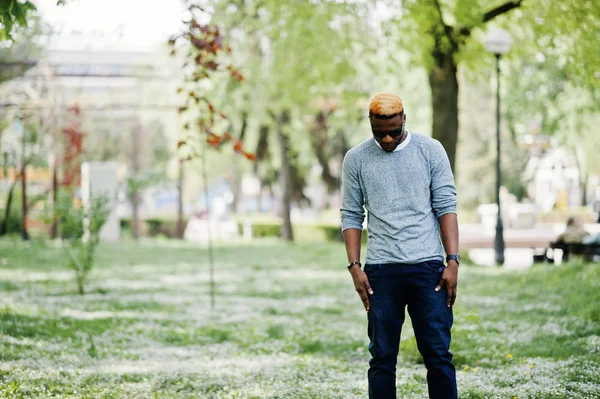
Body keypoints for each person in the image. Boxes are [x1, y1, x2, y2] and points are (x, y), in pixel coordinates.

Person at [340, 92, 459, 399]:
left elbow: (446, 206)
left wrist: (453, 261)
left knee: (438, 356)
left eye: (394, 130)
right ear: (370, 124)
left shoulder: (431, 151)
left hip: (429, 270)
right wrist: (354, 267)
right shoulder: (356, 158)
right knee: (381, 359)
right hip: (381, 272)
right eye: (380, 133)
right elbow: (352, 214)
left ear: (405, 118)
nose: (388, 139)